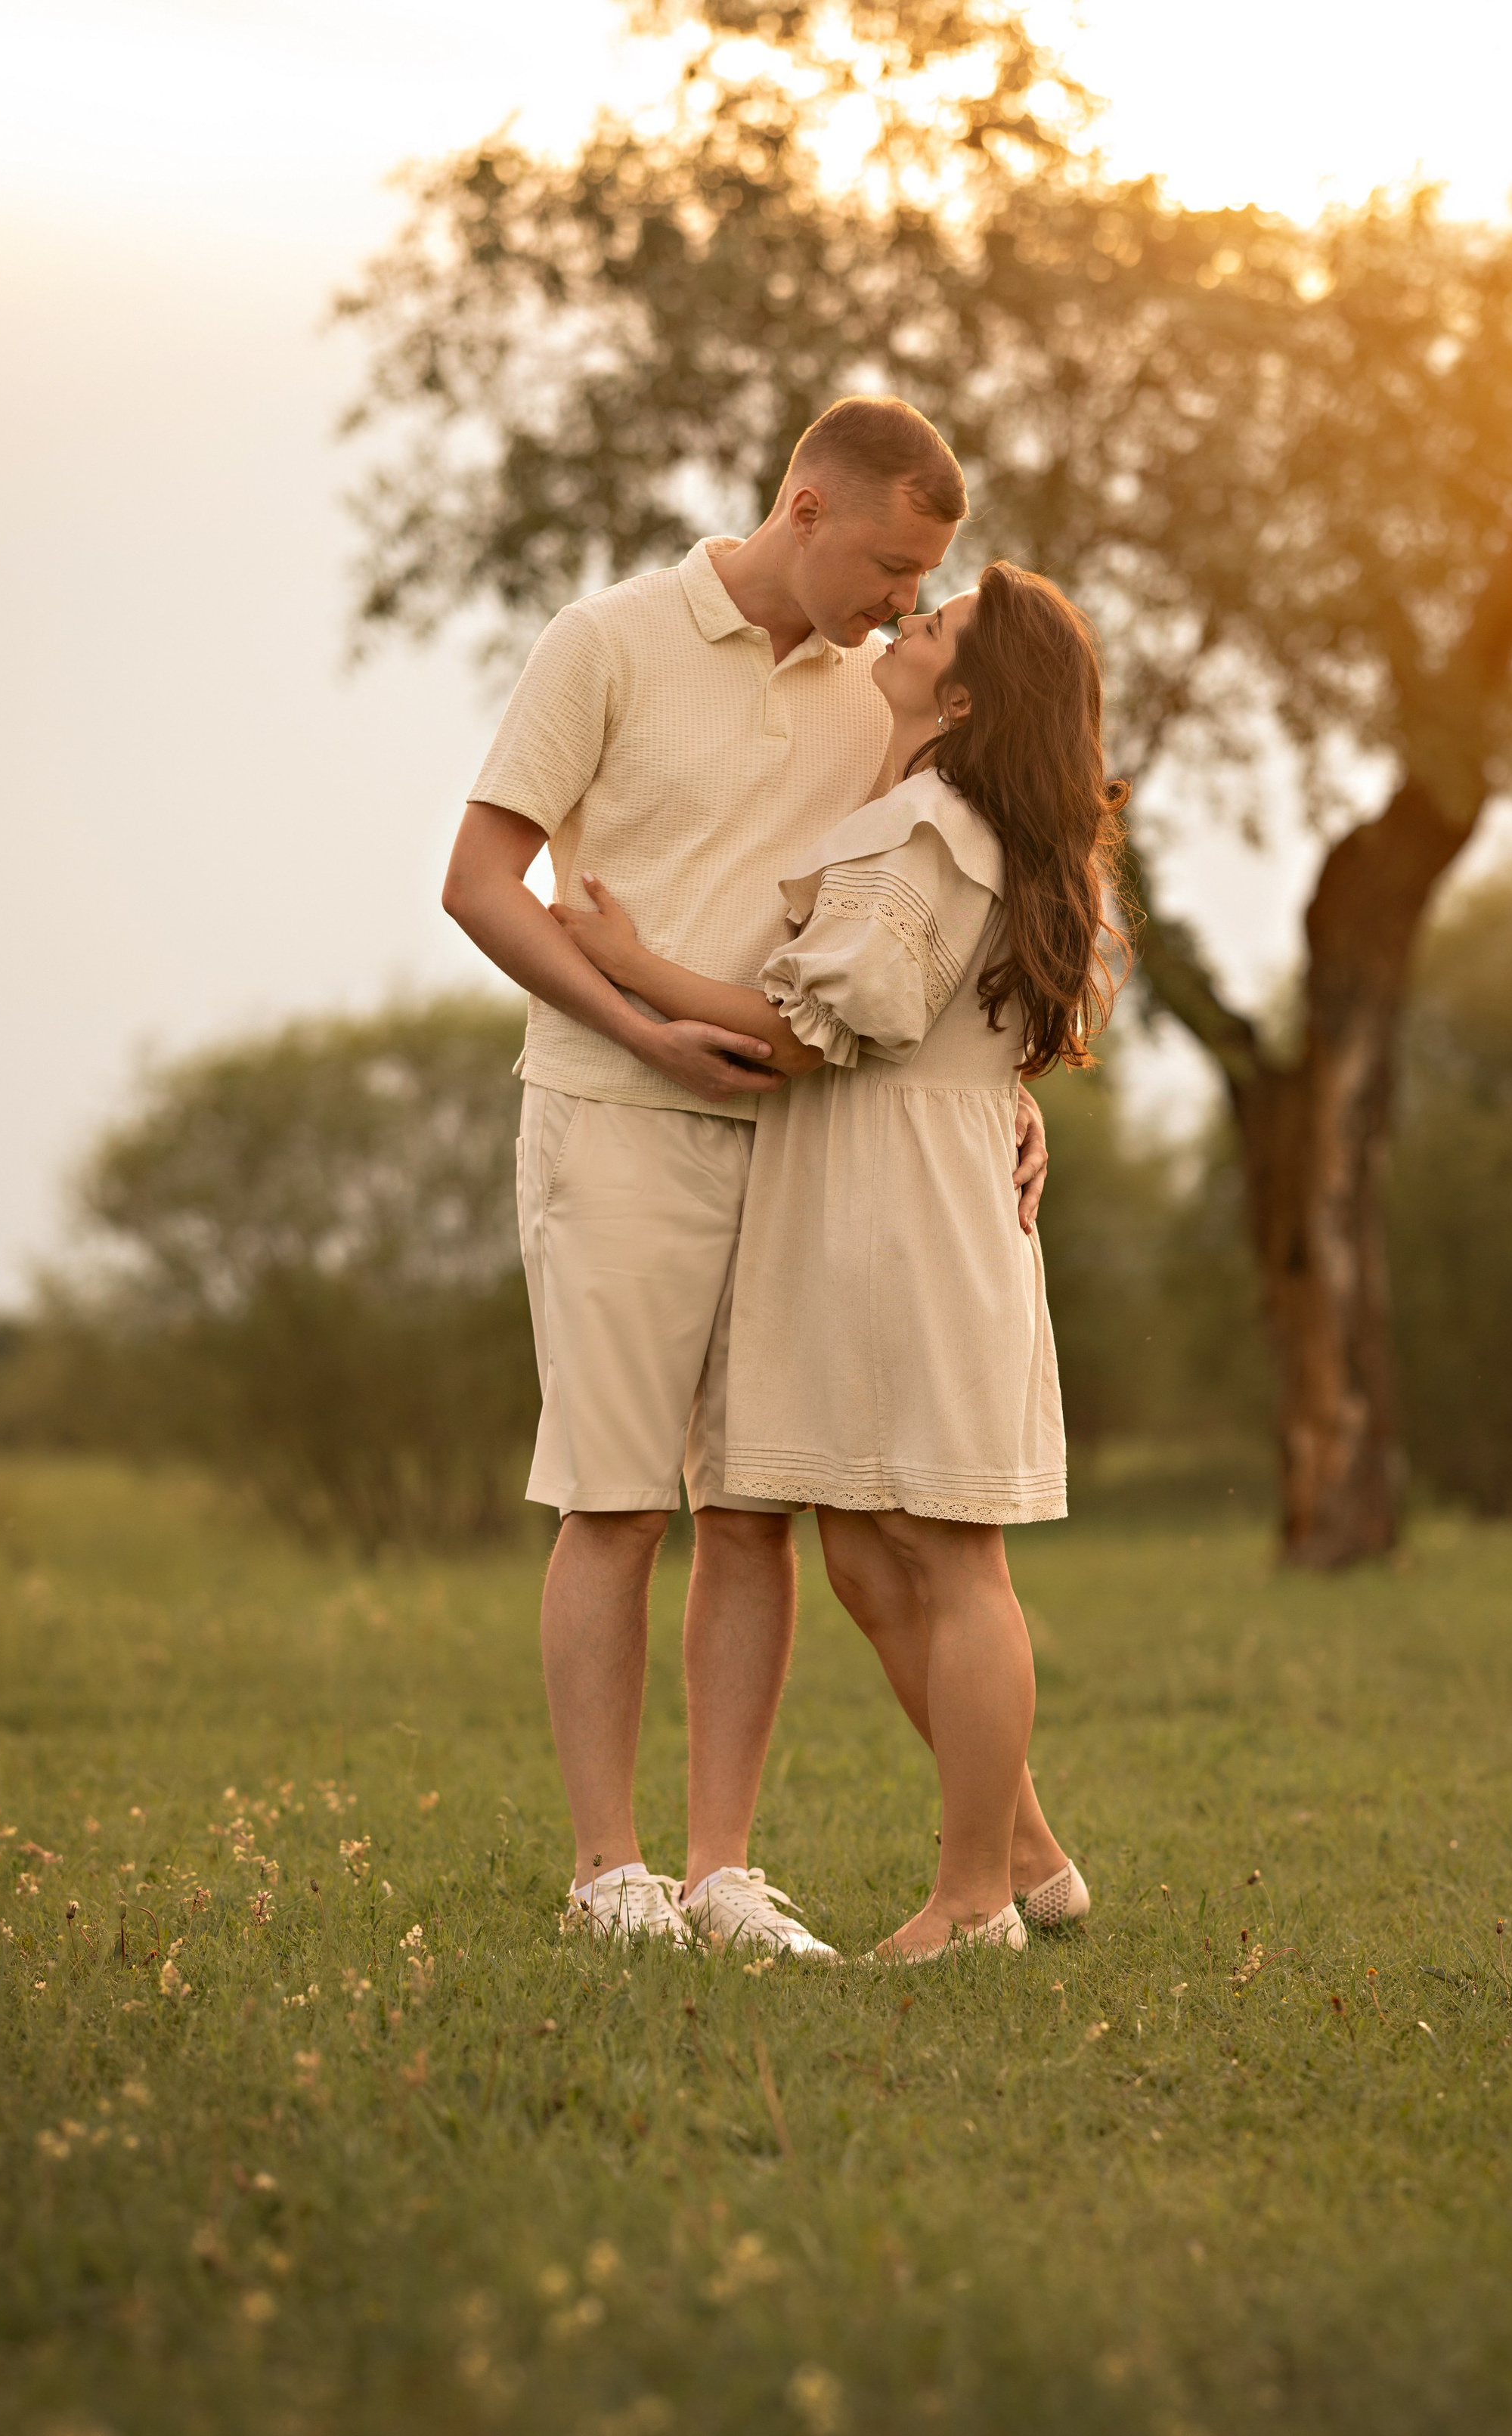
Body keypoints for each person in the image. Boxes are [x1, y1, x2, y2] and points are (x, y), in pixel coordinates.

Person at [441, 398, 1050, 1957]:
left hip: (797, 1146)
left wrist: (1009, 1090)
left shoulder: (884, 688)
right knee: (617, 1495)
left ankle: (718, 1871)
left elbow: (938, 911)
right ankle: (606, 1875)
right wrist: (638, 1023)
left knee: (751, 1509)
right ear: (803, 504)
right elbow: (476, 880)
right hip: (617, 1118)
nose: (906, 598)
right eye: (890, 560)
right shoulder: (610, 640)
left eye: (928, 576)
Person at [554, 561, 1128, 1960]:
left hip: (901, 1215)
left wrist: (636, 967)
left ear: (970, 696)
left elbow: (807, 1033)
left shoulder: (929, 829)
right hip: (891, 1192)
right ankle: (1032, 1857)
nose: (904, 621)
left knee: (949, 1555)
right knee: (870, 1552)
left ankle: (971, 1896)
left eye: (933, 628)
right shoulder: (956, 819)